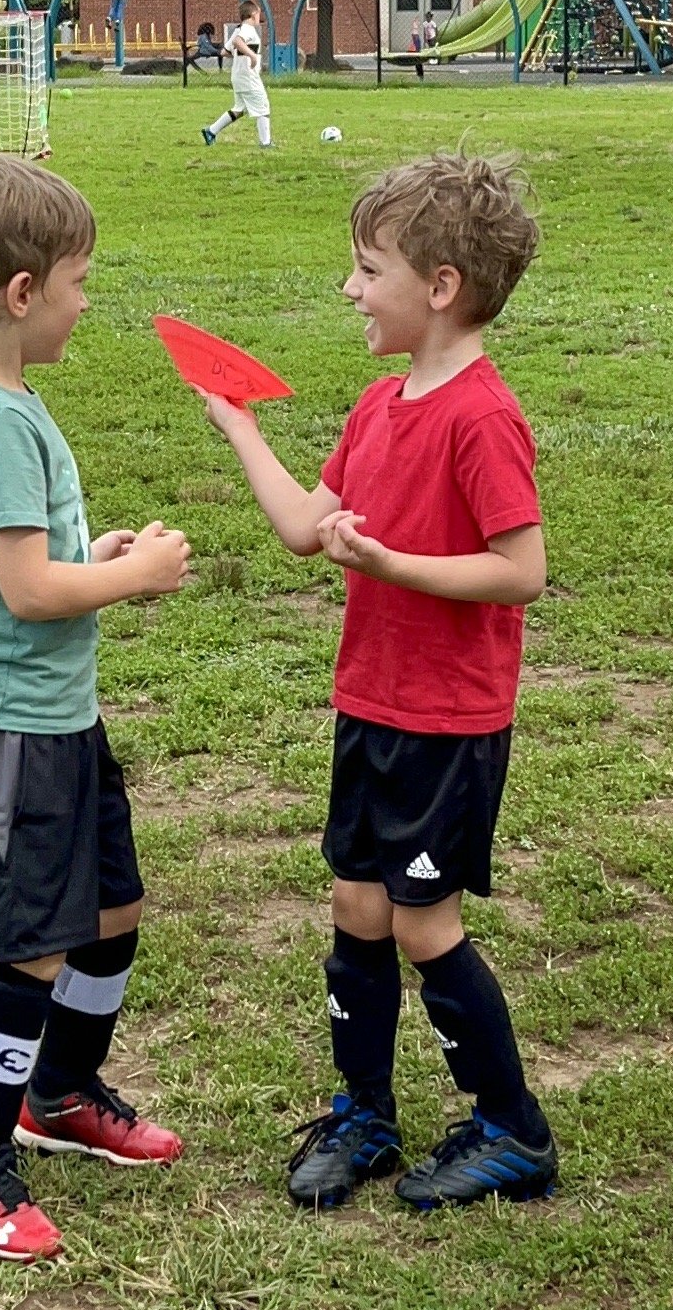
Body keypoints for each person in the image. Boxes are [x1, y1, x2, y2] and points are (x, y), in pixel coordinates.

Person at [202, 150, 557, 1213]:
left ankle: (512, 1131)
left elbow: (521, 568)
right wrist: (241, 428)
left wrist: (396, 564)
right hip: (370, 703)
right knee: (355, 904)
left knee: (420, 922)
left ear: (438, 286)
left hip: (444, 722)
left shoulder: (480, 417)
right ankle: (364, 1115)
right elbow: (307, 531)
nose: (348, 289)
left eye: (365, 269)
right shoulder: (377, 405)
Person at [0, 156, 193, 1262]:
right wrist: (133, 574)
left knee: (108, 913)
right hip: (10, 729)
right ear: (22, 294)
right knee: (29, 951)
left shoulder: (6, 397)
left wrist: (90, 552)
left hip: (61, 719)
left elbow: (33, 558)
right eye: (77, 281)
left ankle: (59, 1092)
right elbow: (24, 592)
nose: (83, 300)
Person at [201, 0, 272, 148]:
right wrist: (252, 55)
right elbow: (237, 43)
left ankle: (211, 131)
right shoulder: (247, 30)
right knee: (263, 106)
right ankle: (265, 143)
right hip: (248, 77)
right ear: (253, 14)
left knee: (240, 109)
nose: (260, 17)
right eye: (258, 14)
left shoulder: (238, 29)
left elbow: (225, 51)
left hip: (238, 76)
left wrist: (241, 53)